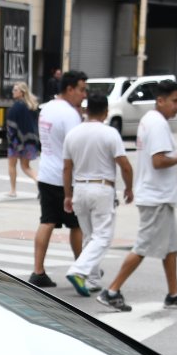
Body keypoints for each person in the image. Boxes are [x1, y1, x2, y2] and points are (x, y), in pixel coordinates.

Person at [96, 80, 177, 313]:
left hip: (159, 196)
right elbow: (159, 161)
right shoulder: (157, 124)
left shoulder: (150, 121)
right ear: (160, 100)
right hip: (156, 197)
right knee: (143, 247)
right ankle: (112, 291)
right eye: (175, 101)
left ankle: (173, 294)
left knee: (170, 246)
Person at [62, 92, 133, 296]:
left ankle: (92, 279)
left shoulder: (73, 134)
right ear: (106, 112)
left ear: (85, 110)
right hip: (102, 189)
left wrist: (67, 194)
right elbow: (125, 166)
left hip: (79, 189)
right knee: (102, 237)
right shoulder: (110, 133)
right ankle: (78, 270)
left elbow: (66, 168)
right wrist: (129, 188)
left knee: (89, 236)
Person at [27, 71, 86, 288]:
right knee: (77, 225)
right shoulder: (70, 115)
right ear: (70, 89)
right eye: (81, 89)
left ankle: (38, 270)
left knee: (47, 221)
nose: (84, 94)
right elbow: (76, 147)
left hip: (46, 173)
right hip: (65, 177)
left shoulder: (48, 107)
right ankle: (82, 269)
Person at [4, 83, 40, 197]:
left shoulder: (16, 107)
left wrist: (11, 139)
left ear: (22, 92)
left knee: (12, 165)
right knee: (26, 167)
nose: (13, 92)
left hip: (16, 141)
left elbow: (11, 125)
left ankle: (13, 190)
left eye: (15, 90)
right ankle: (38, 181)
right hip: (29, 141)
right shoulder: (32, 106)